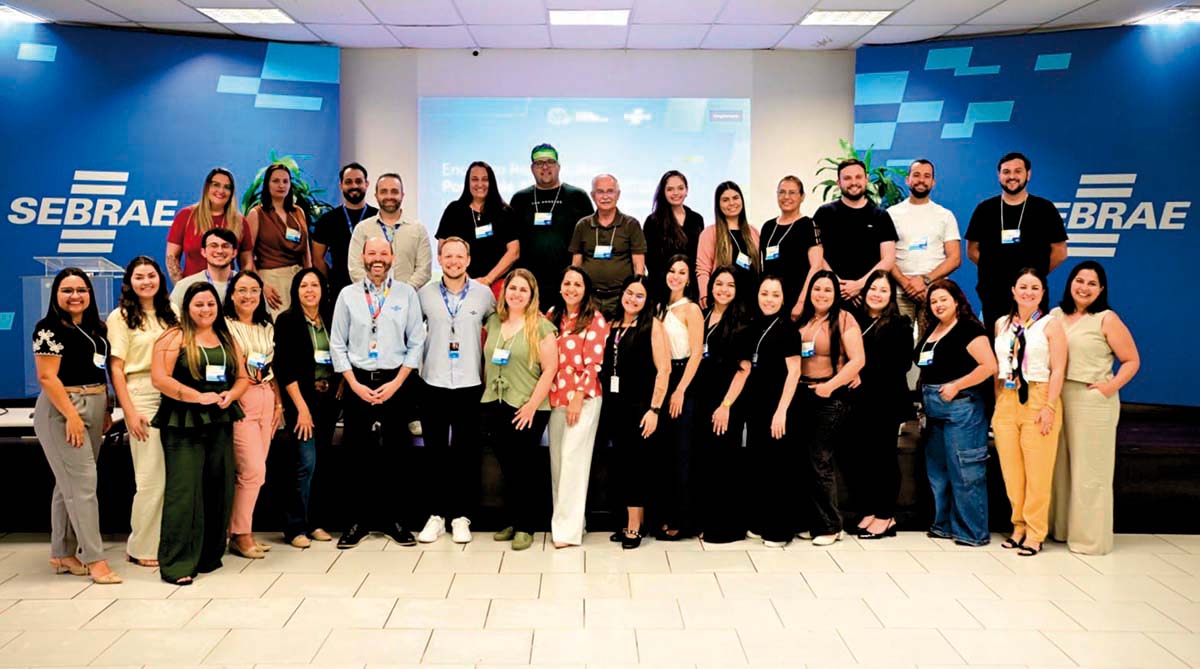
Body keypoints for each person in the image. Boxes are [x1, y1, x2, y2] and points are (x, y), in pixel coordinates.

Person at [331, 238, 426, 548]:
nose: (377, 258)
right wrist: (354, 384)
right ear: (363, 257)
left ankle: (395, 520)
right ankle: (358, 521)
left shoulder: (406, 294)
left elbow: (416, 341)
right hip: (358, 381)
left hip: (395, 381)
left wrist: (396, 383)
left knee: (397, 453)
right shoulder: (348, 295)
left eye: (383, 253)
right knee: (356, 453)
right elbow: (337, 343)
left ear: (392, 258)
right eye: (372, 253)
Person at [151, 282, 249, 585]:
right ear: (187, 307)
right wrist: (197, 397)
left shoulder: (227, 337)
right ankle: (177, 563)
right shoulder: (174, 337)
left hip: (220, 420)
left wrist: (232, 395)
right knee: (184, 491)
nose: (206, 310)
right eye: (199, 304)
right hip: (183, 422)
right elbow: (160, 379)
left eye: (210, 304)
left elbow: (243, 377)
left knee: (219, 488)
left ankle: (208, 555)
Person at [33, 268, 120, 585]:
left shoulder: (97, 328)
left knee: (68, 484)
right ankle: (95, 559)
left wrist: (106, 408)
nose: (75, 296)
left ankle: (62, 553)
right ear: (55, 294)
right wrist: (71, 415)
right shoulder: (48, 329)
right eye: (67, 290)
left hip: (95, 405)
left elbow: (100, 371)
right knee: (83, 487)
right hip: (63, 409)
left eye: (81, 290)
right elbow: (47, 377)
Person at [1049, 261, 1139, 555]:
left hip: (1091, 400)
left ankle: (1090, 540)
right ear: (1070, 283)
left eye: (1092, 283)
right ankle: (1061, 529)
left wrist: (1110, 387)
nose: (1084, 287)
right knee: (1060, 469)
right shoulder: (1055, 315)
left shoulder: (1106, 319)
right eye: (1080, 280)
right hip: (1057, 396)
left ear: (1101, 289)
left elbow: (1132, 360)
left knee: (1090, 471)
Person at [415, 237, 496, 544]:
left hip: (469, 383)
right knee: (434, 453)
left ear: (468, 260)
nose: (453, 261)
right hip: (433, 382)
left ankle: (461, 517)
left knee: (466, 454)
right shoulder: (424, 294)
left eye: (459, 256)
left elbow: (500, 328)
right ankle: (436, 516)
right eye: (447, 256)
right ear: (440, 259)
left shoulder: (483, 294)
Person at [108, 257, 179, 568]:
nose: (146, 281)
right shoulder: (120, 317)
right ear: (130, 281)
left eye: (151, 275)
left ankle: (166, 541)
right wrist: (129, 411)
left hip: (174, 395)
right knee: (151, 477)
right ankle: (142, 547)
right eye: (139, 277)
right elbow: (116, 368)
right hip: (142, 395)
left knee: (172, 478)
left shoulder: (172, 312)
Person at [915, 279, 997, 547]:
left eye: (943, 300)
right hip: (934, 410)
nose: (938, 305)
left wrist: (957, 385)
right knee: (938, 472)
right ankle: (944, 525)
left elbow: (989, 366)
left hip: (962, 408)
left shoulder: (969, 329)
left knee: (965, 471)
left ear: (957, 301)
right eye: (933, 301)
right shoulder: (933, 329)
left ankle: (971, 532)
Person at [992, 269, 1067, 557]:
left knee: (1038, 472)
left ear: (1043, 293)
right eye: (1023, 286)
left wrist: (1050, 406)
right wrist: (999, 401)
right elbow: (999, 367)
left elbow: (1058, 369)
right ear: (1013, 290)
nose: (1028, 292)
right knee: (1012, 472)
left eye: (1035, 287)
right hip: (1008, 398)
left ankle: (1036, 533)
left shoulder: (1050, 324)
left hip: (1039, 396)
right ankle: (1019, 526)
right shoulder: (1001, 324)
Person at [483, 270, 559, 551]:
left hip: (528, 406)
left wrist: (531, 406)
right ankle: (512, 520)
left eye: (523, 290)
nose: (516, 294)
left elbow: (550, 369)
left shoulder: (542, 327)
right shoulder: (494, 322)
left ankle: (527, 525)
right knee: (507, 466)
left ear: (532, 295)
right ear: (504, 292)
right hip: (495, 402)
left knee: (524, 466)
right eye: (512, 288)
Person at [599, 276, 671, 549]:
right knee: (620, 464)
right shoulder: (612, 324)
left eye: (639, 295)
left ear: (647, 300)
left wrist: (655, 409)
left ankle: (634, 526)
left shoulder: (653, 325)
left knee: (636, 467)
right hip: (613, 405)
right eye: (629, 293)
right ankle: (628, 521)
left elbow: (664, 370)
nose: (632, 299)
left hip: (640, 407)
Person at [795, 270, 865, 546]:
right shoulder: (804, 319)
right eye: (817, 289)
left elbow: (858, 360)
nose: (821, 294)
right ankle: (814, 520)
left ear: (836, 294)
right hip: (803, 393)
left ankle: (831, 526)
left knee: (820, 459)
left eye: (827, 289)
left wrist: (831, 385)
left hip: (831, 397)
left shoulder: (845, 319)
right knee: (804, 460)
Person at [273, 268, 339, 548]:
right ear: (295, 291)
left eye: (314, 285)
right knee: (305, 462)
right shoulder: (287, 321)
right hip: (301, 401)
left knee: (321, 462)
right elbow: (284, 368)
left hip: (328, 401)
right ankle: (295, 527)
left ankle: (316, 522)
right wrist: (301, 408)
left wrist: (340, 385)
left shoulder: (331, 319)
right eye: (303, 286)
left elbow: (341, 353)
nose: (309, 290)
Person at [965, 152, 1069, 330]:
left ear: (1028, 174)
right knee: (997, 342)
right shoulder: (985, 209)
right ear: (999, 175)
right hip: (994, 295)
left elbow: (1060, 252)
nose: (1012, 176)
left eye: (1018, 171)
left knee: (1033, 342)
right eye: (1006, 172)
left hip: (1031, 296)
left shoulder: (1044, 209)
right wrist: (993, 270)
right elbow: (972, 250)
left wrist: (1035, 274)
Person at [545, 266, 610, 548]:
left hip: (583, 398)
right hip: (554, 396)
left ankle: (566, 533)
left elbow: (594, 363)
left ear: (586, 290)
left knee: (573, 461)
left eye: (578, 284)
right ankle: (573, 522)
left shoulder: (594, 319)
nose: (571, 288)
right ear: (560, 286)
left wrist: (578, 396)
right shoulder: (552, 315)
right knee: (559, 464)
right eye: (567, 283)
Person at [845, 271, 913, 540]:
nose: (877, 294)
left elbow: (901, 364)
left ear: (891, 296)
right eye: (873, 288)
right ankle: (869, 511)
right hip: (858, 400)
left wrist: (861, 371)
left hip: (886, 401)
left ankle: (886, 516)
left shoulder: (900, 324)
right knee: (862, 458)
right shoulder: (854, 320)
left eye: (883, 290)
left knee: (883, 458)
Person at [742, 276, 803, 547]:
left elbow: (794, 372)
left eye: (775, 295)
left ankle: (779, 529)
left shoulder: (788, 329)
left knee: (779, 469)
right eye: (765, 293)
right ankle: (760, 520)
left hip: (778, 407)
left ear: (784, 298)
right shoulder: (753, 325)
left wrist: (781, 411)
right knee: (759, 465)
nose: (769, 299)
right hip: (756, 406)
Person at [693, 267, 752, 543]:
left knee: (725, 464)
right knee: (706, 462)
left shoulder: (742, 321)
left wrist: (726, 405)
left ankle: (727, 527)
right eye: (719, 284)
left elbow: (744, 370)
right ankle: (707, 520)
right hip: (703, 398)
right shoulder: (703, 315)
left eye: (730, 285)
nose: (723, 290)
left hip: (727, 402)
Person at [223, 271, 279, 560]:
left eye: (254, 290)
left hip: (266, 397)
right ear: (232, 295)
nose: (248, 296)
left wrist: (278, 403)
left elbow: (272, 366)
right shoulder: (225, 326)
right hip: (241, 398)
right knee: (251, 470)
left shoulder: (266, 326)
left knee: (258, 472)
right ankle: (239, 534)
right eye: (242, 290)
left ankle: (241, 531)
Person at [652, 255, 704, 539]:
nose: (676, 276)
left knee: (682, 452)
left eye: (682, 272)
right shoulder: (659, 307)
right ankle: (662, 514)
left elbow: (696, 354)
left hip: (684, 380)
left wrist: (681, 389)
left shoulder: (691, 309)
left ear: (689, 278)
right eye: (672, 270)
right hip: (662, 376)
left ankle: (682, 520)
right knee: (664, 452)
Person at [510, 143, 594, 309]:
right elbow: (512, 243)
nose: (545, 167)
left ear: (558, 166)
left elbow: (590, 241)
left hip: (567, 286)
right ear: (532, 168)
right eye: (539, 163)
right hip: (529, 285)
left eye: (550, 162)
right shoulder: (520, 199)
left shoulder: (577, 197)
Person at [813, 159, 898, 309]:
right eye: (847, 178)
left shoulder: (881, 216)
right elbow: (816, 254)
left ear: (866, 179)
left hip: (870, 298)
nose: (853, 182)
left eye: (858, 177)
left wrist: (860, 284)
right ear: (838, 183)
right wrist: (837, 284)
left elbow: (888, 259)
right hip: (832, 297)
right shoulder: (824, 213)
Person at [887, 159, 961, 331]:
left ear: (933, 182)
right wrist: (906, 284)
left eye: (927, 176)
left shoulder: (945, 215)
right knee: (898, 342)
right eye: (916, 175)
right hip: (900, 293)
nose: (921, 180)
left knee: (931, 343)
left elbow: (955, 258)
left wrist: (925, 280)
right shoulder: (891, 214)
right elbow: (886, 256)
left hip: (935, 293)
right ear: (907, 180)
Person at [435, 161, 519, 299]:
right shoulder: (454, 211)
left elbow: (514, 252)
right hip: (461, 286)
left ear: (491, 182)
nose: (480, 184)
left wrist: (487, 280)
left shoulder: (505, 212)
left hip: (499, 286)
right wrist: (467, 281)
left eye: (485, 179)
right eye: (474, 179)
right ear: (467, 182)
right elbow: (442, 249)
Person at [569, 174, 647, 317]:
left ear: (618, 195)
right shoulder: (582, 225)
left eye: (610, 191)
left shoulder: (631, 225)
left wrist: (635, 295)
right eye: (600, 192)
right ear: (593, 195)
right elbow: (576, 265)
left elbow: (639, 266)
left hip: (621, 298)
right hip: (589, 298)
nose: (605, 196)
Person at [245, 163, 311, 316]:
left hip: (298, 278)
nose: (281, 185)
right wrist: (260, 285)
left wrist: (309, 279)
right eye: (276, 181)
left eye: (285, 181)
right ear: (267, 184)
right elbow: (247, 255)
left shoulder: (298, 212)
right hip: (271, 282)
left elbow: (306, 251)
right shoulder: (257, 213)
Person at [166, 168, 252, 282]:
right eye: (216, 185)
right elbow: (172, 256)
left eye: (227, 187)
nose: (221, 190)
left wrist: (242, 286)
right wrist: (181, 287)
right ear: (207, 187)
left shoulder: (240, 221)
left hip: (227, 289)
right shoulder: (186, 216)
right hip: (191, 289)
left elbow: (246, 261)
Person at [347, 173, 432, 289]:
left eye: (394, 192)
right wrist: (376, 291)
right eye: (384, 192)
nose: (389, 196)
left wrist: (404, 292)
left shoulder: (418, 230)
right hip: (370, 298)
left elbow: (424, 270)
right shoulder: (362, 229)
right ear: (376, 195)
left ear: (402, 195)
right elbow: (355, 268)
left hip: (408, 297)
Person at [759, 176, 822, 319]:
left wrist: (801, 302)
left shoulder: (808, 225)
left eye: (792, 192)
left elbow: (816, 266)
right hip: (771, 302)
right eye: (782, 192)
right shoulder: (768, 227)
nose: (786, 197)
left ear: (802, 196)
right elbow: (763, 268)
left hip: (797, 302)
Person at [311, 162, 378, 296]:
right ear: (341, 185)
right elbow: (317, 258)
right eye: (348, 182)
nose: (354, 186)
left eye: (358, 181)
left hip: (375, 288)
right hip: (339, 290)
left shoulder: (378, 217)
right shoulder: (327, 220)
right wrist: (329, 281)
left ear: (366, 184)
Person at [697, 181, 760, 309]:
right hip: (723, 300)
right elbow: (703, 269)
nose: (731, 203)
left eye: (735, 198)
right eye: (725, 200)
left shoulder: (753, 231)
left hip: (751, 301)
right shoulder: (710, 233)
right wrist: (704, 294)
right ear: (718, 204)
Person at [642, 170, 704, 283]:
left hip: (690, 285)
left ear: (686, 190)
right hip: (661, 285)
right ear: (663, 192)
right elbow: (650, 260)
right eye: (670, 189)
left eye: (680, 188)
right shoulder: (652, 221)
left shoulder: (696, 219)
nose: (676, 193)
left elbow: (699, 257)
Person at [171, 228, 238, 309]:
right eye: (213, 246)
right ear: (203, 252)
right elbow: (171, 315)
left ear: (234, 252)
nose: (220, 251)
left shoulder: (246, 284)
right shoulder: (185, 286)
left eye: (225, 246)